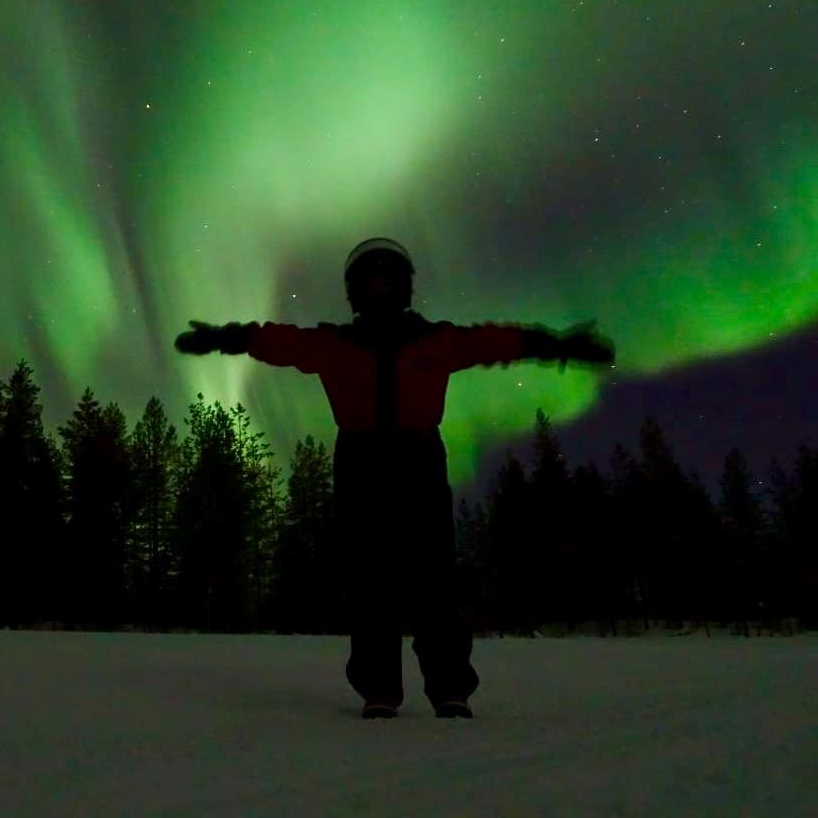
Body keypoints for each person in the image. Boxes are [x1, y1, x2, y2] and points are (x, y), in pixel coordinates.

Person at [173, 237, 615, 719]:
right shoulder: (335, 344)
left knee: (435, 577)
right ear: (356, 291)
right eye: (371, 281)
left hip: (418, 457)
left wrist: (553, 345)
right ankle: (380, 689)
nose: (380, 290)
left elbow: (494, 342)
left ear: (402, 288)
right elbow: (278, 340)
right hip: (362, 461)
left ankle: (449, 687)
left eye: (387, 281)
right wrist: (226, 337)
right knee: (370, 578)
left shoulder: (433, 340)